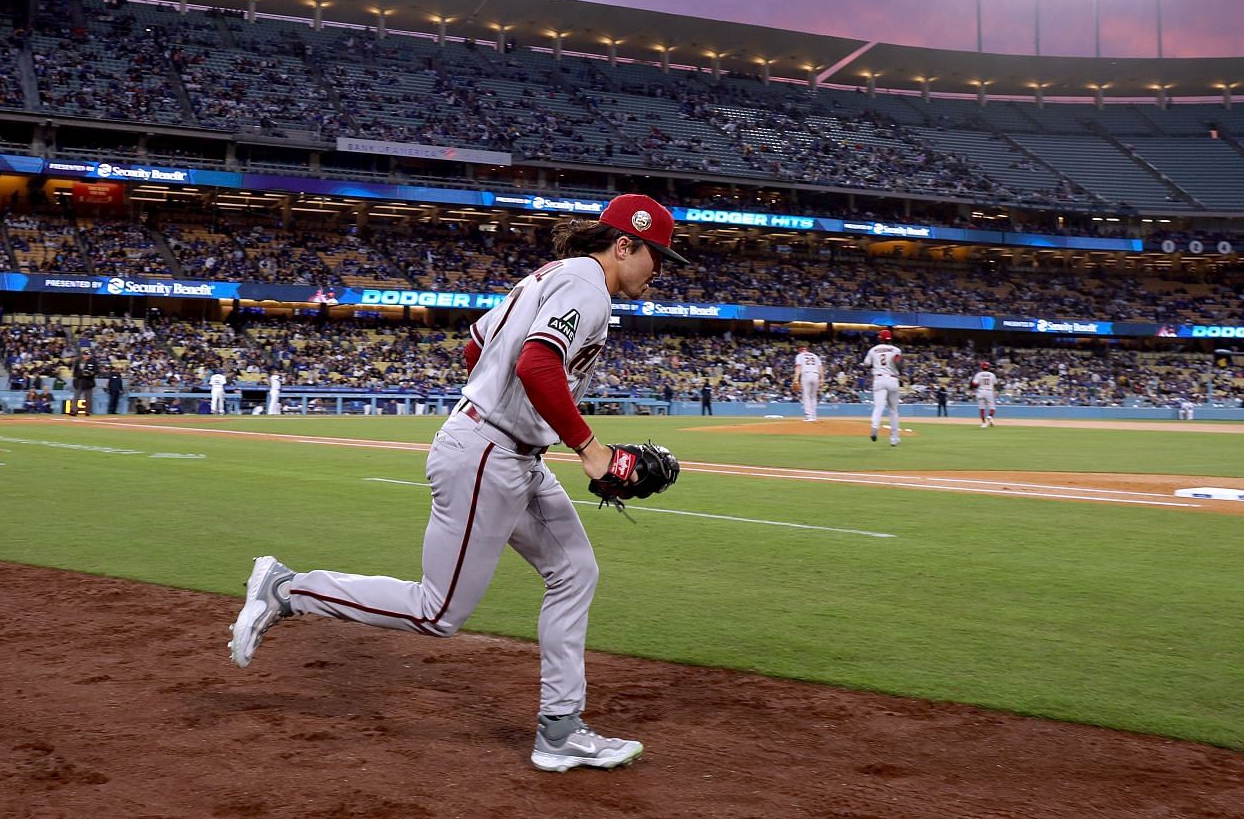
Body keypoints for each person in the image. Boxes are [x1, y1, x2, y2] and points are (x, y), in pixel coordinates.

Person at [227, 193, 688, 773]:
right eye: (657, 255)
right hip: (486, 455)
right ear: (625, 244)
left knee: (575, 571)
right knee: (437, 612)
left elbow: (478, 343)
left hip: (509, 452)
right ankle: (288, 589)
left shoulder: (551, 276)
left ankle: (561, 730)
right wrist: (591, 452)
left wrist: (512, 415)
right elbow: (536, 364)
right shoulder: (588, 286)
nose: (660, 269)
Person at [863, 329, 902, 446]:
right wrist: (900, 373)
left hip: (879, 379)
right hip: (892, 379)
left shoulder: (873, 350)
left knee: (878, 407)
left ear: (880, 338)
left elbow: (866, 364)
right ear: (890, 339)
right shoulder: (895, 350)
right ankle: (894, 439)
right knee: (893, 411)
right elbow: (898, 362)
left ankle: (875, 427)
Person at [793, 344, 823, 422]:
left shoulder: (799, 356)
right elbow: (820, 367)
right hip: (816, 375)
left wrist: (796, 379)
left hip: (806, 375)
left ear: (799, 350)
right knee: (813, 396)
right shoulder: (815, 356)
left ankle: (808, 416)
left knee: (806, 396)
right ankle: (814, 416)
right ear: (806, 349)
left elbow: (798, 367)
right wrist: (822, 378)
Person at [971, 359, 997, 427]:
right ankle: (990, 416)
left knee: (982, 408)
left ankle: (983, 423)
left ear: (981, 367)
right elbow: (995, 384)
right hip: (989, 391)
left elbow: (974, 384)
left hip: (981, 391)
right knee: (992, 408)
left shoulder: (978, 374)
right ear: (989, 367)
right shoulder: (992, 375)